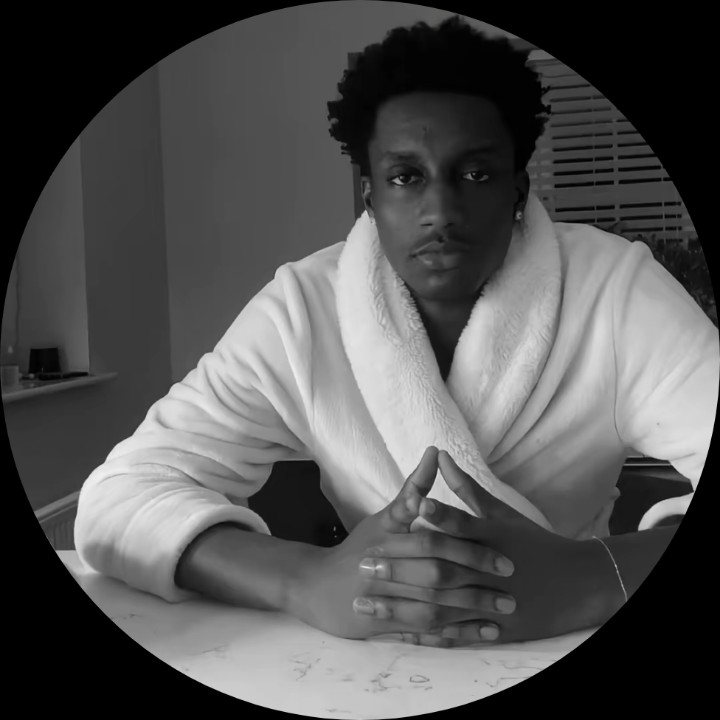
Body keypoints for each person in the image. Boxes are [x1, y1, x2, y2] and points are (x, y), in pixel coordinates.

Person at [73, 17, 717, 648]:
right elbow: (118, 497)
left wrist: (595, 577)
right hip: (373, 646)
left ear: (519, 190)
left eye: (476, 174)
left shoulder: (615, 290)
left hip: (572, 630)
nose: (441, 212)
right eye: (406, 178)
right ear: (370, 197)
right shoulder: (303, 310)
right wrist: (304, 580)